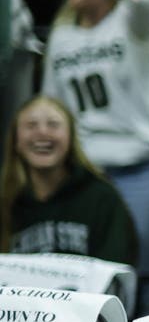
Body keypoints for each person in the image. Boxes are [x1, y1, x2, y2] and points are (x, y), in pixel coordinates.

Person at [41, 0, 149, 280]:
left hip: (136, 167)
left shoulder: (131, 22)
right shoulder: (61, 36)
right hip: (84, 173)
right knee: (88, 272)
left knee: (142, 269)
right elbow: (54, 109)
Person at [0, 94, 137, 265]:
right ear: (16, 141)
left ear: (71, 138)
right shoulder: (5, 199)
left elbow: (117, 270)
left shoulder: (103, 198)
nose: (42, 132)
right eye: (31, 125)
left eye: (53, 124)